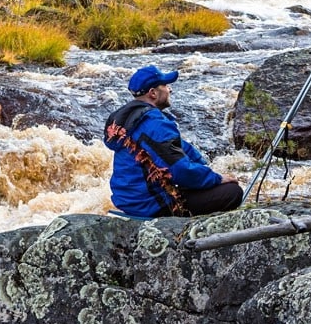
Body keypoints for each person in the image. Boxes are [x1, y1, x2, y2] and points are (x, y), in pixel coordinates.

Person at [104, 65, 242, 218]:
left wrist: (203, 165)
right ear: (153, 93)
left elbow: (178, 147)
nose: (170, 90)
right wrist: (217, 178)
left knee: (198, 182)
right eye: (165, 85)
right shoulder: (154, 123)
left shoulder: (132, 119)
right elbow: (180, 171)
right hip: (152, 205)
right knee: (232, 192)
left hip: (132, 202)